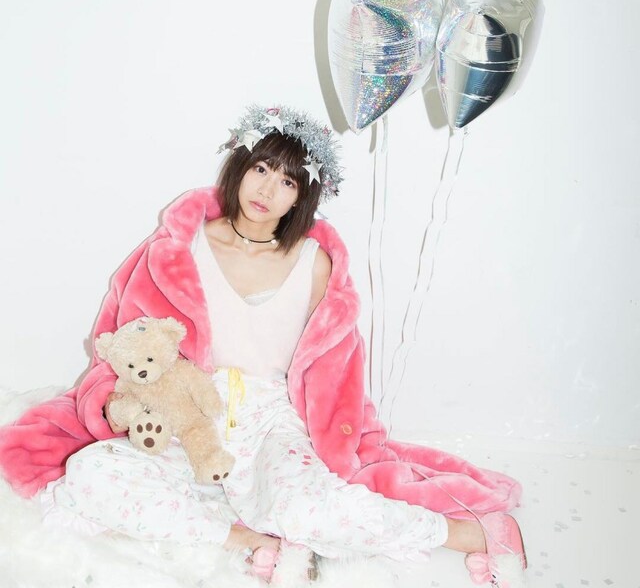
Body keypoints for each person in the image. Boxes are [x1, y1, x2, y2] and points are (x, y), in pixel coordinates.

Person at [0, 106, 526, 586]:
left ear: (303, 196)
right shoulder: (182, 247)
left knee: (303, 508)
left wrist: (342, 437)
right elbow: (128, 333)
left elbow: (336, 368)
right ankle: (250, 540)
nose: (268, 190)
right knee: (92, 475)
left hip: (271, 416)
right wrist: (126, 404)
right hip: (192, 410)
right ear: (240, 167)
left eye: (288, 181)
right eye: (261, 169)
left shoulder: (314, 263)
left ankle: (472, 533)